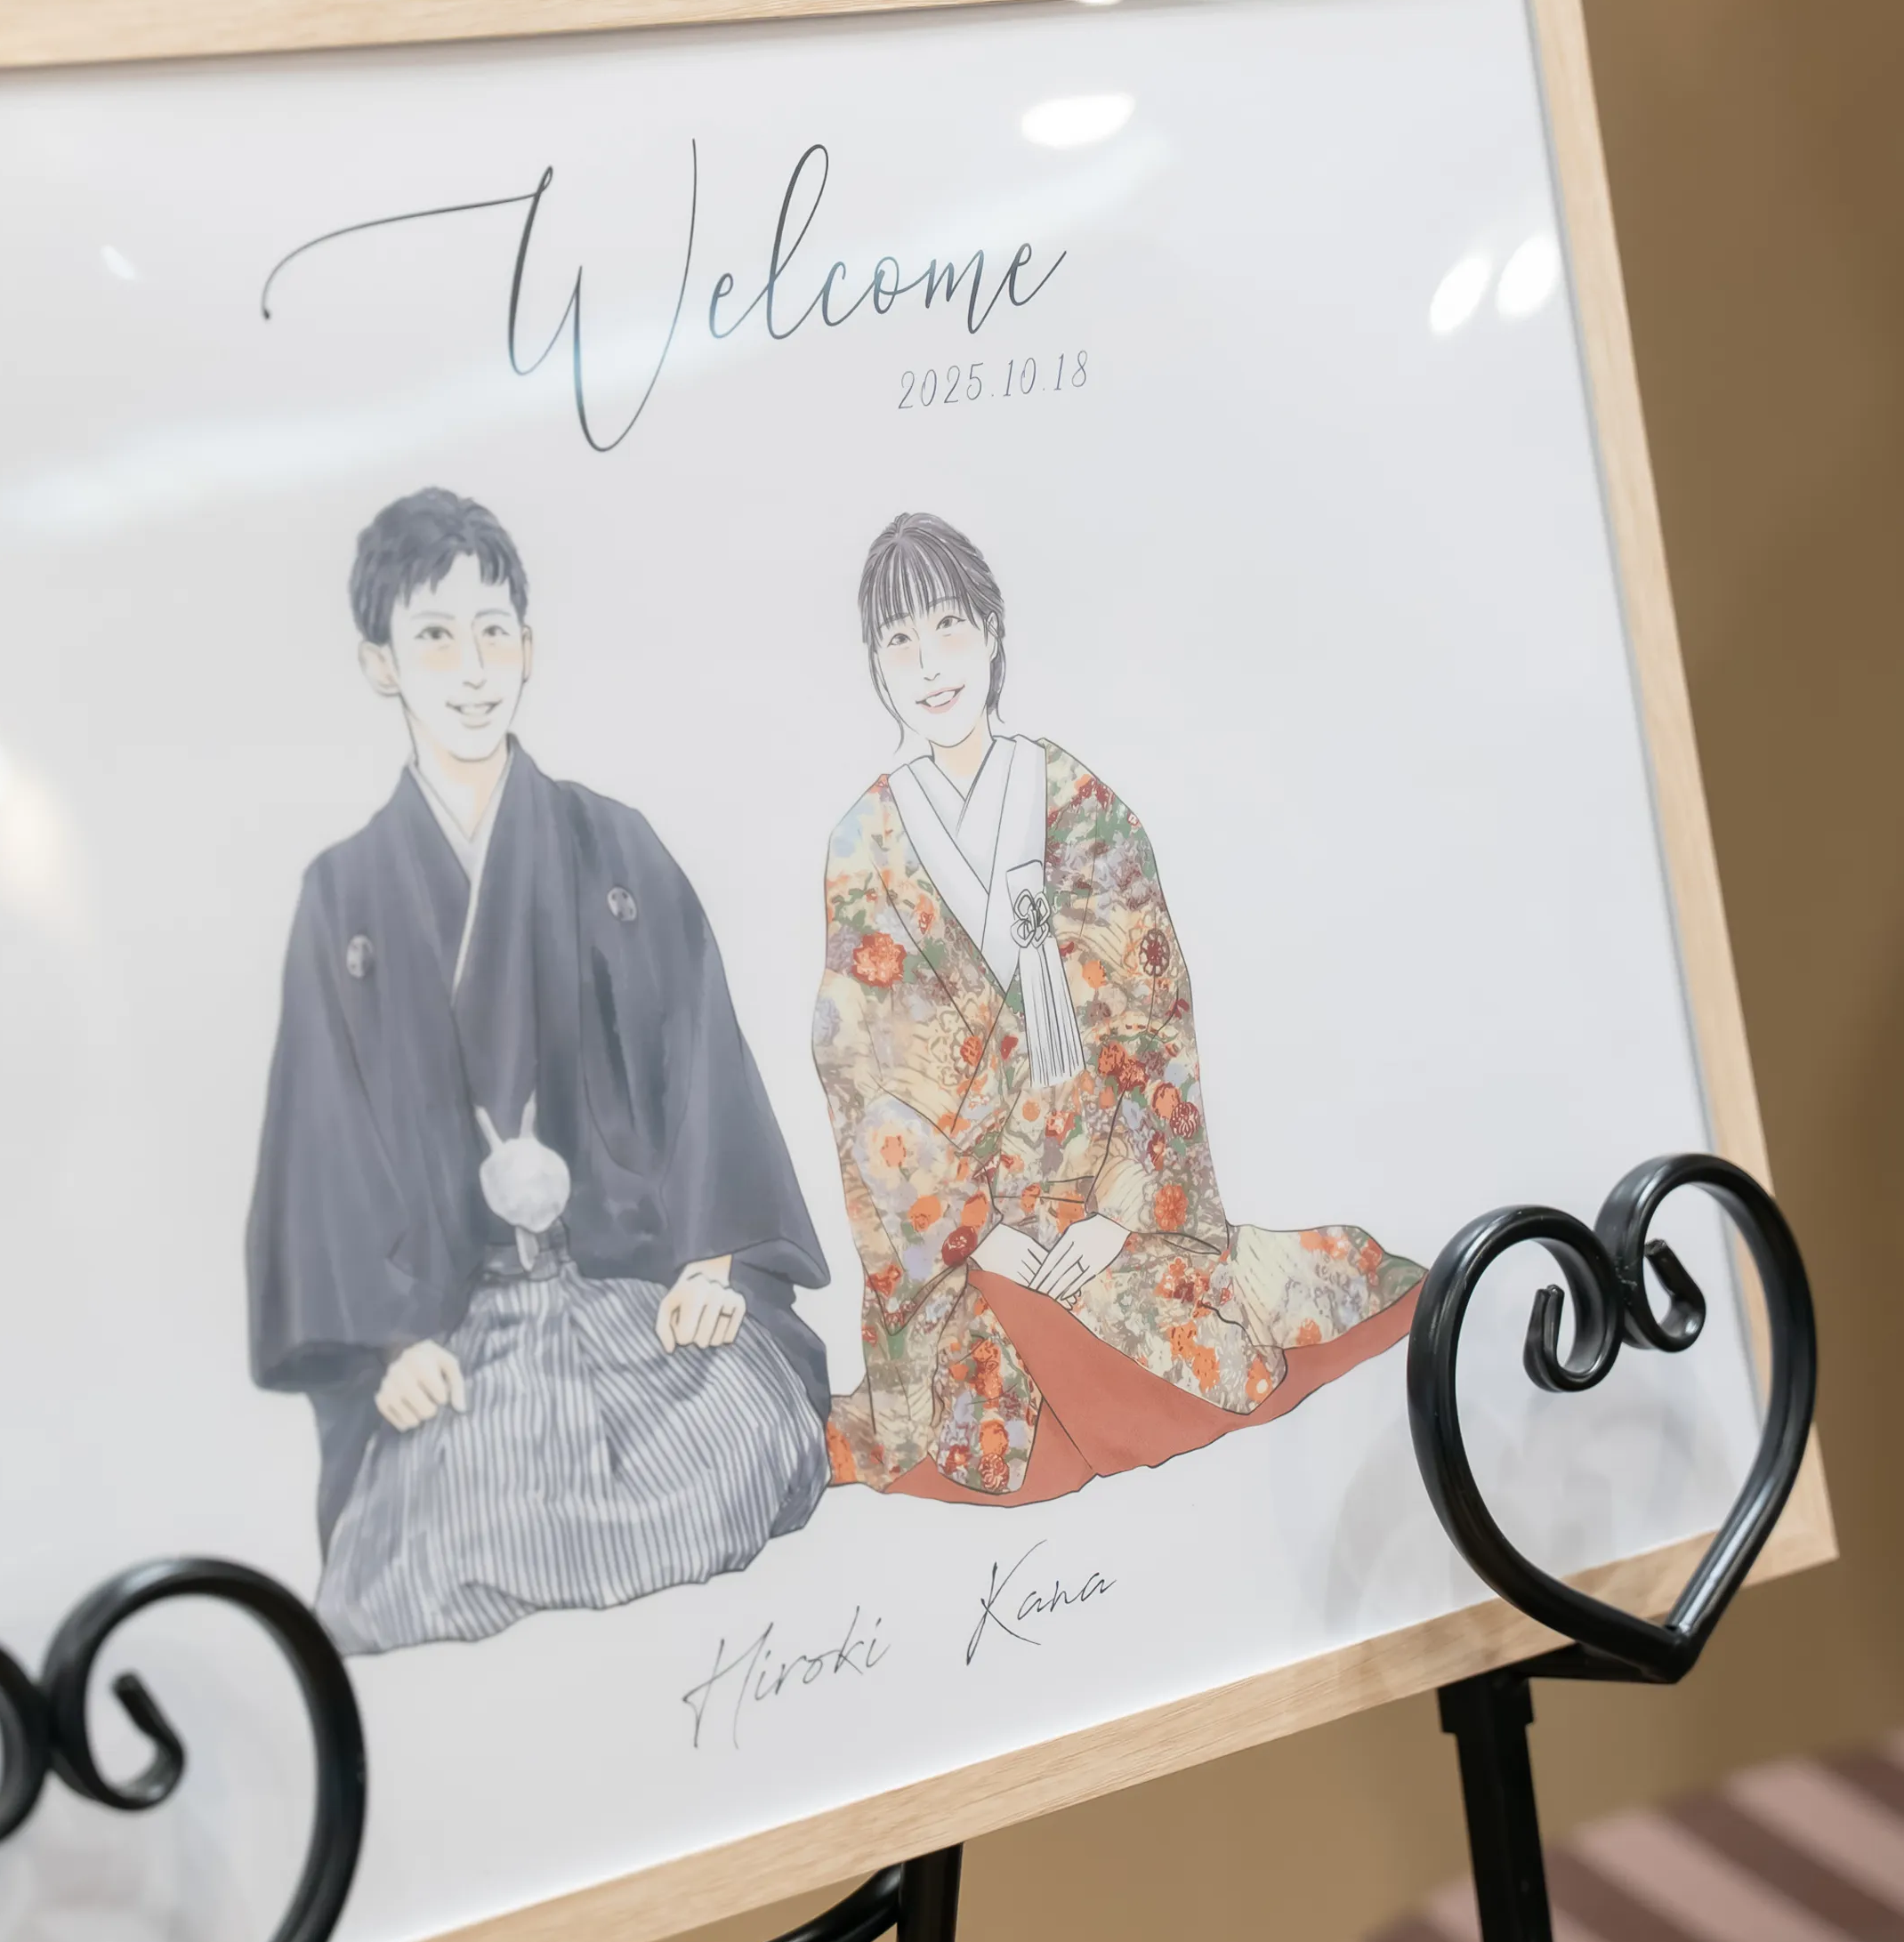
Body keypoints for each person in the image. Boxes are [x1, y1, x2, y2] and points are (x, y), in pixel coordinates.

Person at [247, 487, 831, 1651]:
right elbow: (323, 1149)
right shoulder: (343, 896)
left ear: (529, 645)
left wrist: (714, 1259)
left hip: (634, 1301)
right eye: (434, 637)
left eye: (494, 633)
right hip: (464, 1333)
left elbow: (699, 1064)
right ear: (379, 663)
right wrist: (386, 1349)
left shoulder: (614, 847)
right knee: (427, 1555)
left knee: (734, 1453)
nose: (473, 671)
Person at [811, 512, 1419, 1506]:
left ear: (991, 631)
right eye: (899, 639)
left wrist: (1113, 1218)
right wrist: (977, 1235)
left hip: (1100, 1201)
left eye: (949, 625)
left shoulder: (1080, 804)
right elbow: (864, 1081)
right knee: (986, 1402)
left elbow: (1153, 1022)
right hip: (967, 1240)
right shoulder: (862, 844)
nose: (929, 665)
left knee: (1178, 1340)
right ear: (876, 666)